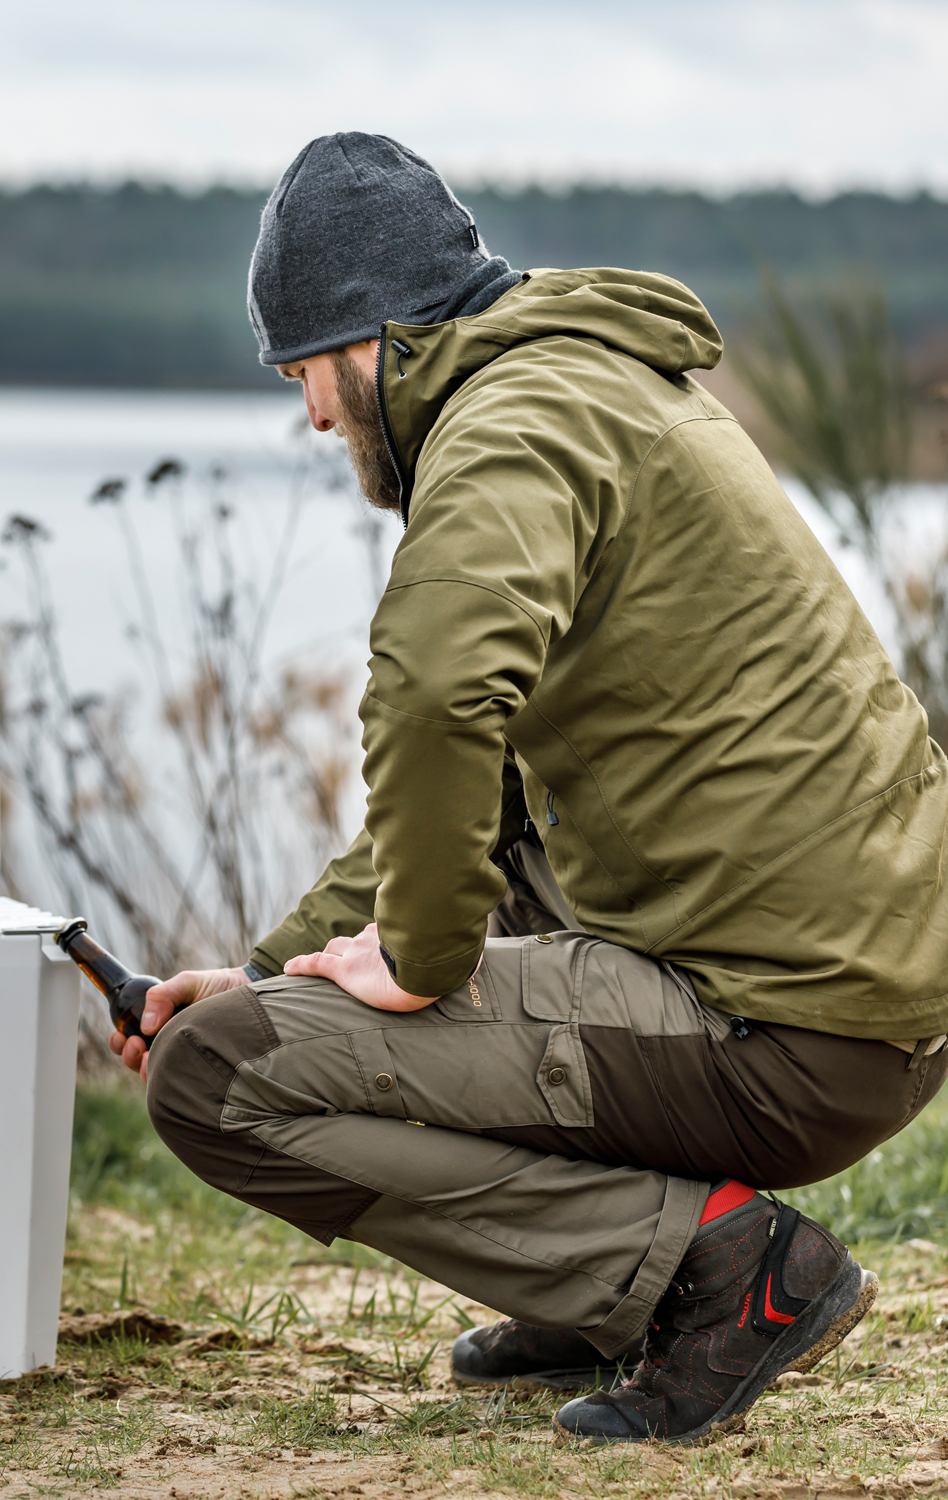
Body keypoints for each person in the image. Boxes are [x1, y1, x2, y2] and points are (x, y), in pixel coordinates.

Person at [114, 132, 948, 1446]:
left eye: (309, 374)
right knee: (345, 965)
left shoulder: (512, 421)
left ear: (375, 341)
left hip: (780, 1023)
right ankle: (611, 1281)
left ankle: (716, 1275)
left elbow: (437, 696)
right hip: (854, 1002)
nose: (315, 417)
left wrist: (420, 956)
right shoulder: (586, 389)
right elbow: (480, 802)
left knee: (220, 1079)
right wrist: (273, 966)